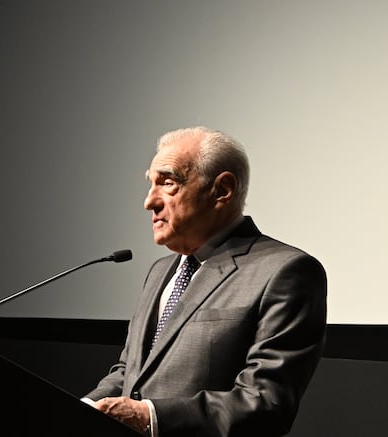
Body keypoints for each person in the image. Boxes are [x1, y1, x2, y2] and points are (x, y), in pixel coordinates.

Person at [82, 126, 327, 437]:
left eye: (167, 183)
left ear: (222, 190)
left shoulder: (285, 271)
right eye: (150, 185)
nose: (149, 202)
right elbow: (130, 372)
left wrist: (149, 416)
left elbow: (266, 403)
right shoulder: (159, 271)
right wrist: (81, 409)